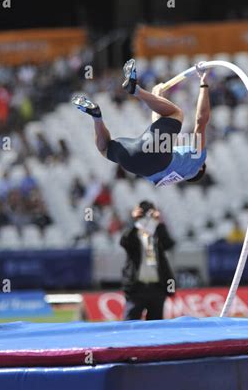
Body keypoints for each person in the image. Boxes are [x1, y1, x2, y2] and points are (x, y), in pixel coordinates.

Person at [72, 59, 209, 186]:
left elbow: (200, 120)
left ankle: (135, 90)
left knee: (176, 113)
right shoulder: (168, 178)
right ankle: (97, 117)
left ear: (202, 168)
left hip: (157, 157)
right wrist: (157, 97)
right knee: (104, 149)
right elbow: (158, 129)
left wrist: (203, 81)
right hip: (135, 163)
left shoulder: (197, 162)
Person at [119, 201, 175, 320]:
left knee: (155, 327)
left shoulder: (157, 232)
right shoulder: (134, 233)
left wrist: (158, 223)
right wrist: (135, 223)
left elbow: (169, 244)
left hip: (156, 288)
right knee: (130, 324)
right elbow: (124, 242)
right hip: (137, 288)